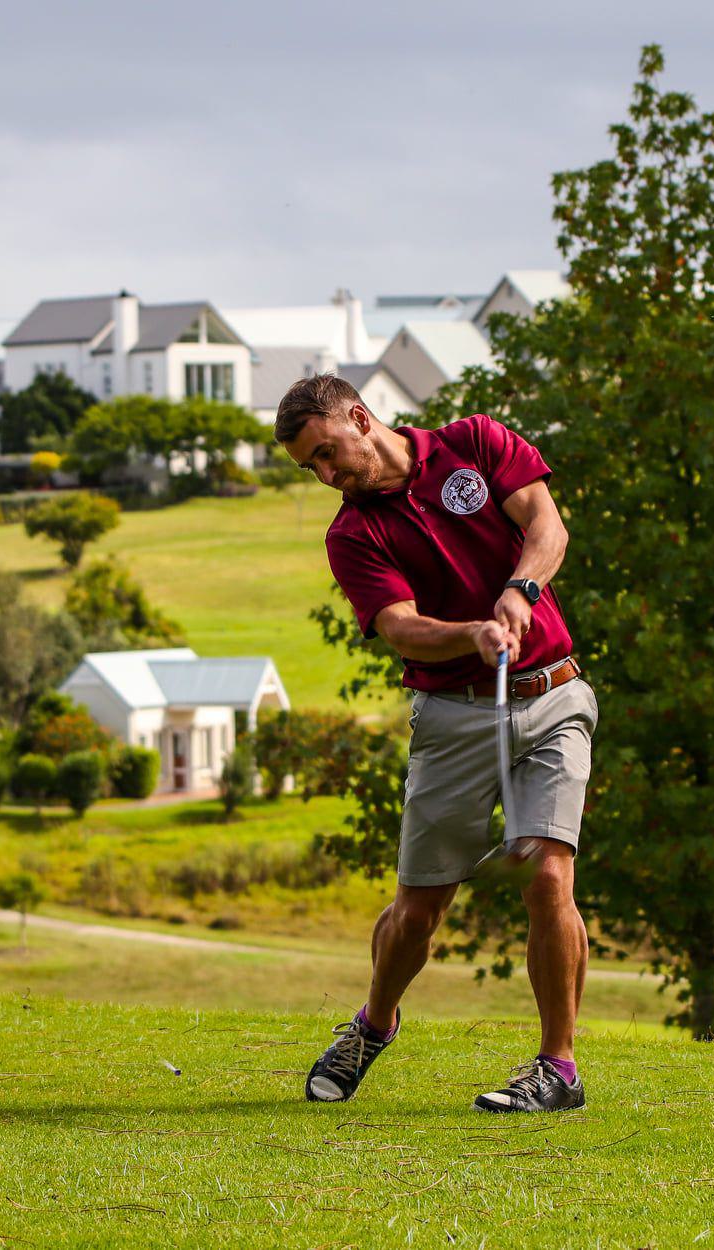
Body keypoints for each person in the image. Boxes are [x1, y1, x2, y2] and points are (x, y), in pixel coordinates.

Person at [273, 373, 598, 1114]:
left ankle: (558, 1070)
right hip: (452, 716)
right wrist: (472, 634)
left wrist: (520, 592)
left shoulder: (473, 443)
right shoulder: (352, 533)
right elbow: (398, 627)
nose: (326, 475)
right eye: (310, 469)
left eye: (328, 454)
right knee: (418, 912)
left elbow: (548, 527)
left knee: (548, 874)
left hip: (553, 695)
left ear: (360, 417)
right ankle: (373, 1023)